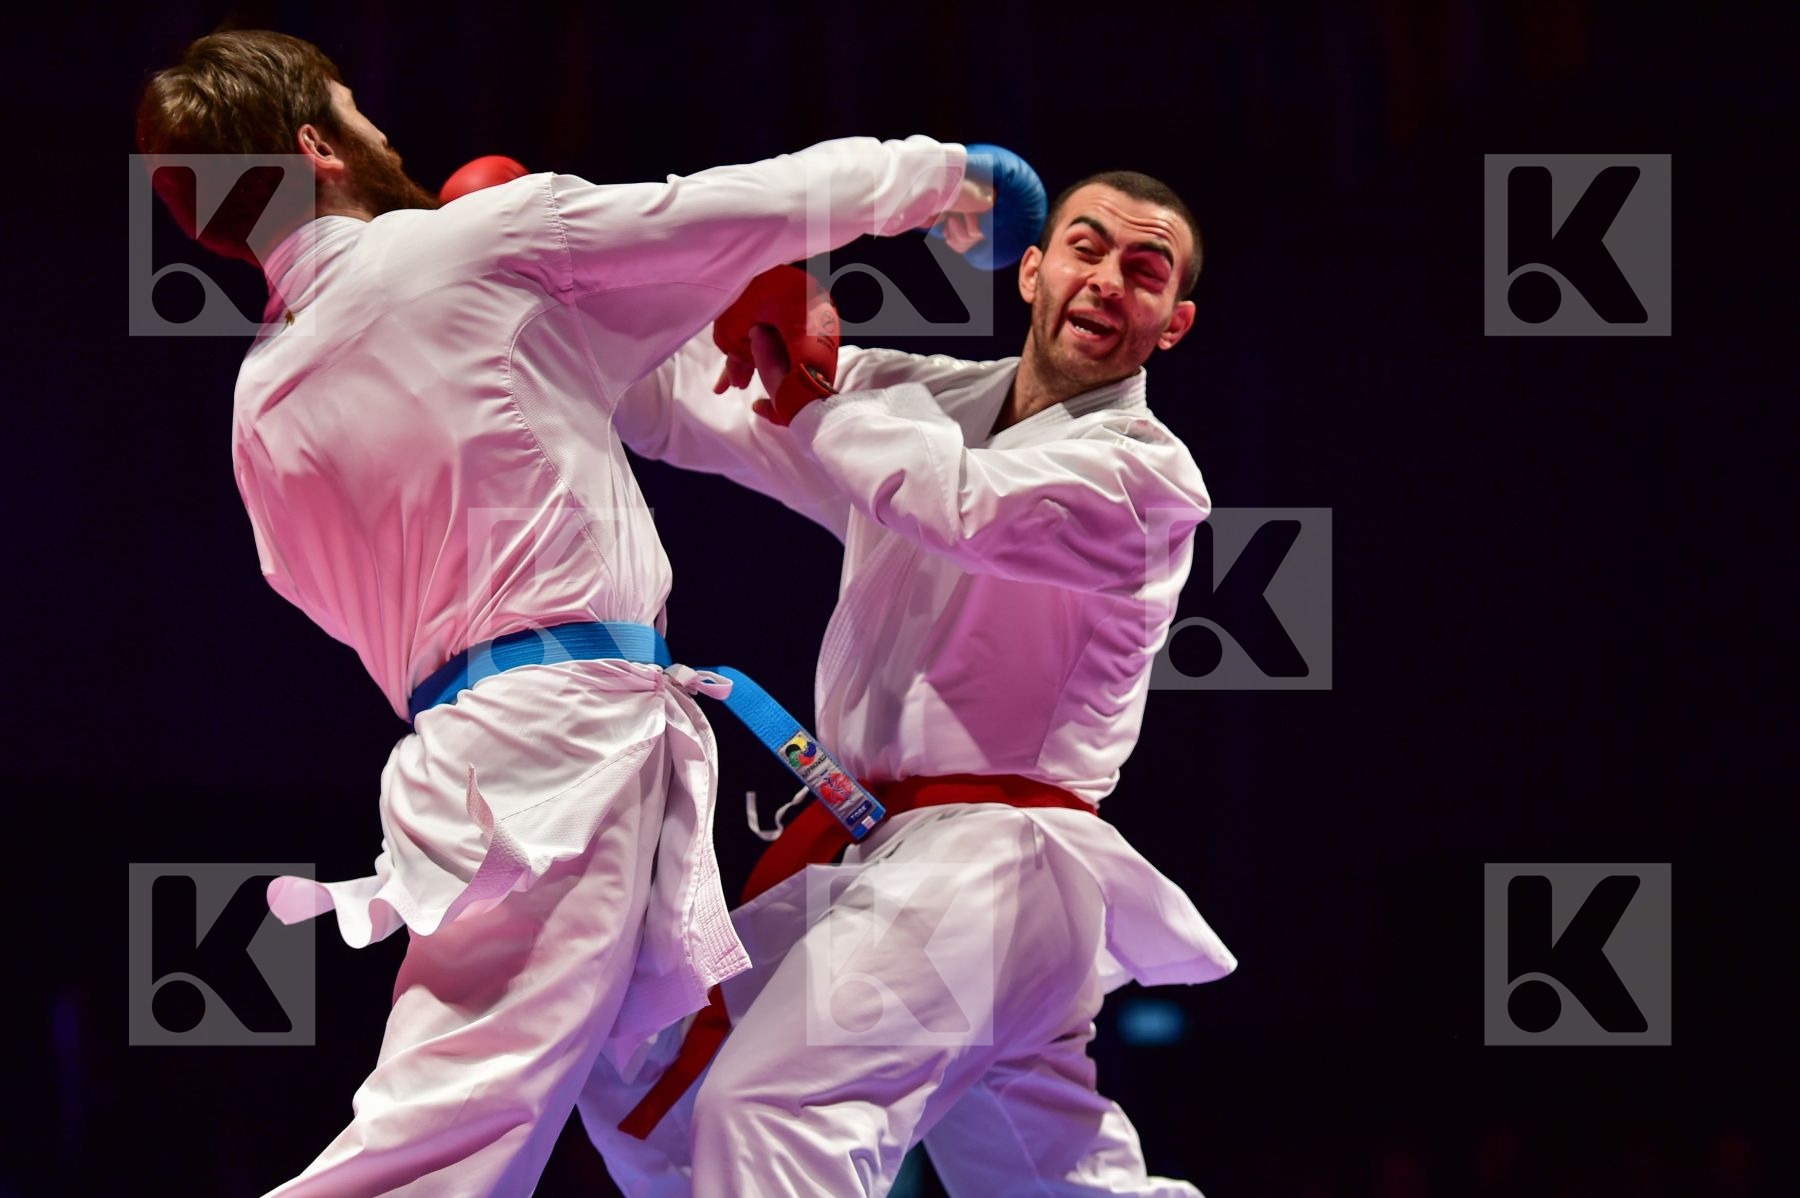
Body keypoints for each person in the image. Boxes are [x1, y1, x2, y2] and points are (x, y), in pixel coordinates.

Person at [135, 28, 1018, 1197]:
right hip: (562, 756)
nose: (384, 132)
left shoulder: (261, 405)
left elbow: (318, 583)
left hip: (491, 751)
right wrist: (939, 175)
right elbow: (721, 208)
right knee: (445, 1142)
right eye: (358, 112)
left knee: (686, 1112)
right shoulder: (466, 246)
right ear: (318, 147)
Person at [582, 171, 1237, 1195]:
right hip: (910, 864)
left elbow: (962, 504)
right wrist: (534, 298)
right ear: (1032, 270)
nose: (1109, 279)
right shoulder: (920, 404)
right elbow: (697, 406)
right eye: (1087, 248)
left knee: (771, 1106)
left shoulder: (1148, 477)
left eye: (1143, 271)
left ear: (1174, 322)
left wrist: (816, 399)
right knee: (641, 1068)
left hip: (997, 864)